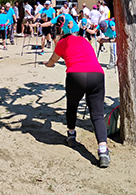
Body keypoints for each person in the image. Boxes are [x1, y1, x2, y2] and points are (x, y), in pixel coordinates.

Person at [44, 33, 110, 168]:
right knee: (97, 114)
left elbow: (52, 60)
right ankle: (103, 150)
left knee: (72, 106)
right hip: (97, 74)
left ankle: (71, 135)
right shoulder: (84, 40)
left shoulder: (63, 42)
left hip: (75, 75)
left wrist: (49, 65)